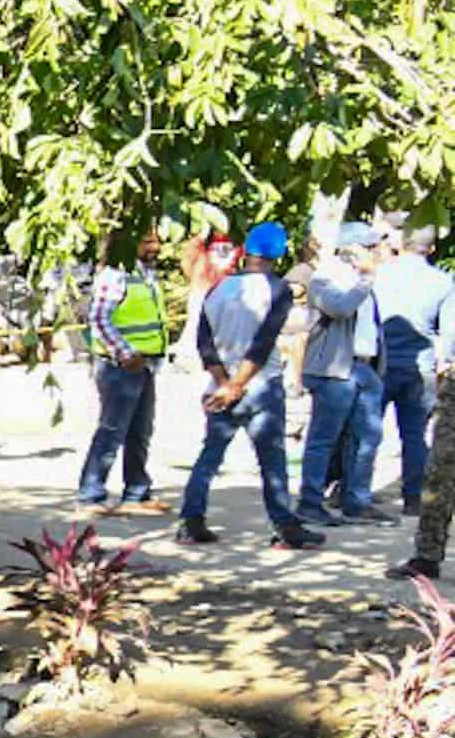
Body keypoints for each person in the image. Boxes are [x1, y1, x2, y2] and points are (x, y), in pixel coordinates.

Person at [180, 222, 317, 549]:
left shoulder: (220, 288)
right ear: (279, 254)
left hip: (220, 383)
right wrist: (238, 384)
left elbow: (205, 342)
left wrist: (223, 382)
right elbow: (264, 341)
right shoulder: (278, 290)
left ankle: (191, 520)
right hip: (260, 385)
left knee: (210, 455)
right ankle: (285, 526)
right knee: (272, 460)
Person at [294, 220, 384, 529]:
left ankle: (356, 500)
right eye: (369, 246)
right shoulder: (327, 277)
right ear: (351, 250)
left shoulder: (365, 280)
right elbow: (339, 307)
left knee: (368, 435)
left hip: (364, 366)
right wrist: (366, 279)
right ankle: (310, 502)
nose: (376, 252)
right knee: (324, 438)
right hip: (334, 368)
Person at [75, 235, 175, 510]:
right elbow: (98, 318)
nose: (155, 248)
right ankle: (91, 493)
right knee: (112, 430)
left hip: (145, 365)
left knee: (140, 431)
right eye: (147, 242)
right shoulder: (116, 274)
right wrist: (124, 351)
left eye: (156, 242)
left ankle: (137, 491)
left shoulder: (146, 274)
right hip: (121, 367)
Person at [371, 225, 447, 516]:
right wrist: (445, 361)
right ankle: (414, 498)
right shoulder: (443, 282)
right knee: (415, 435)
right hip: (420, 365)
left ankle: (354, 491)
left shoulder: (381, 273)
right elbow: (449, 331)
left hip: (381, 361)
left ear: (402, 243)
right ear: (431, 248)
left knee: (367, 432)